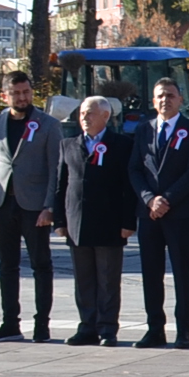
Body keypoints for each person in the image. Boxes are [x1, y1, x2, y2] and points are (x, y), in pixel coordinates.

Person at [0, 69, 59, 343]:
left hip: (34, 207)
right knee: (7, 265)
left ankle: (41, 325)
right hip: (1, 205)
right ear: (4, 96)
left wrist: (50, 206)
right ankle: (10, 323)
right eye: (16, 93)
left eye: (26, 92)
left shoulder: (47, 124)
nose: (22, 98)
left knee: (41, 265)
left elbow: (55, 168)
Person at [129, 78, 189, 348]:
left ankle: (183, 331)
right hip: (149, 214)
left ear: (180, 100)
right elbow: (135, 169)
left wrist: (167, 200)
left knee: (181, 272)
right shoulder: (143, 130)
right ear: (153, 101)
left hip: (180, 213)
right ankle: (155, 329)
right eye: (160, 96)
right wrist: (151, 200)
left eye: (171, 96)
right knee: (151, 273)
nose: (165, 100)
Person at [57, 96, 136, 345]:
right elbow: (61, 185)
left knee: (108, 279)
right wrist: (59, 220)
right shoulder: (68, 145)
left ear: (105, 116)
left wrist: (128, 222)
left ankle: (107, 328)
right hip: (77, 223)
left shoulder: (122, 145)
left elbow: (128, 187)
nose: (84, 118)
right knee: (84, 280)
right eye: (82, 113)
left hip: (109, 223)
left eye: (90, 113)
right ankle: (87, 326)